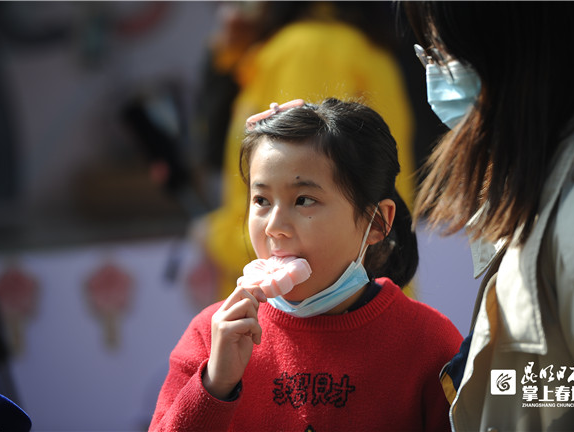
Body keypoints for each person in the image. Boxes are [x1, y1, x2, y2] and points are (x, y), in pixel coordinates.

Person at [149, 98, 463, 431]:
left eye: (304, 200)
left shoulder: (428, 342)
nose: (274, 227)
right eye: (261, 200)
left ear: (375, 222)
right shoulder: (211, 335)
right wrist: (215, 385)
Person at [402, 2, 574, 430]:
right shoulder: (541, 174)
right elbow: (564, 386)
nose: (433, 72)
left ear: (514, 47)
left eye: (441, 51)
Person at [191, 2, 417, 302]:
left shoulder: (307, 50)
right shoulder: (350, 44)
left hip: (320, 307)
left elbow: (302, 200)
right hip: (351, 300)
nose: (229, 10)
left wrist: (217, 239)